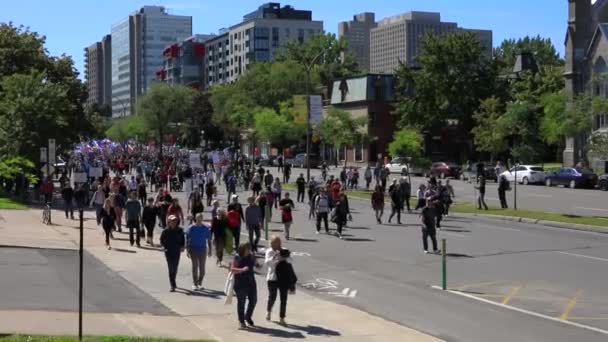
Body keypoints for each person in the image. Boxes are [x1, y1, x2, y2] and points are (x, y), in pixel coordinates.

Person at [265, 236, 293, 325]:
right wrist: (276, 258)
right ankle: (269, 311)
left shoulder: (284, 250)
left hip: (283, 278)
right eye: (277, 243)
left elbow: (290, 261)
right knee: (272, 297)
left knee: (284, 298)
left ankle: (282, 317)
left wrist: (285, 257)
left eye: (280, 242)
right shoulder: (269, 251)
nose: (279, 245)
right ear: (272, 243)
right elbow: (268, 263)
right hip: (273, 278)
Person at [231, 242, 258, 329]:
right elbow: (232, 269)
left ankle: (248, 316)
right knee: (241, 302)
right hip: (240, 283)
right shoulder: (237, 257)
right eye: (248, 249)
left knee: (253, 300)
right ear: (243, 249)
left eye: (250, 248)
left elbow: (256, 264)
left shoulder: (251, 256)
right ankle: (241, 321)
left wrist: (258, 264)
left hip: (251, 282)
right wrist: (242, 269)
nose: (249, 250)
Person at [187, 213, 212, 291]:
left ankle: (199, 283)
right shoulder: (191, 228)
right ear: (195, 219)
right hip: (193, 249)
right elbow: (188, 239)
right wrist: (187, 250)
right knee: (195, 267)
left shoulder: (205, 228)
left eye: (200, 218)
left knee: (202, 269)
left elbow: (209, 240)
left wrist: (210, 250)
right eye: (198, 218)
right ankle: (195, 284)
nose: (199, 220)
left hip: (203, 250)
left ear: (202, 219)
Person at [160, 215, 185, 292]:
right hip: (168, 251)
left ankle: (173, 279)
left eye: (174, 221)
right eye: (171, 221)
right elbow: (161, 240)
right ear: (169, 222)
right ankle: (172, 284)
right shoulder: (165, 231)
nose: (173, 222)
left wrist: (182, 246)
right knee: (171, 267)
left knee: (175, 267)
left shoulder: (180, 230)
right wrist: (163, 247)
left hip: (177, 251)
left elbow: (183, 239)